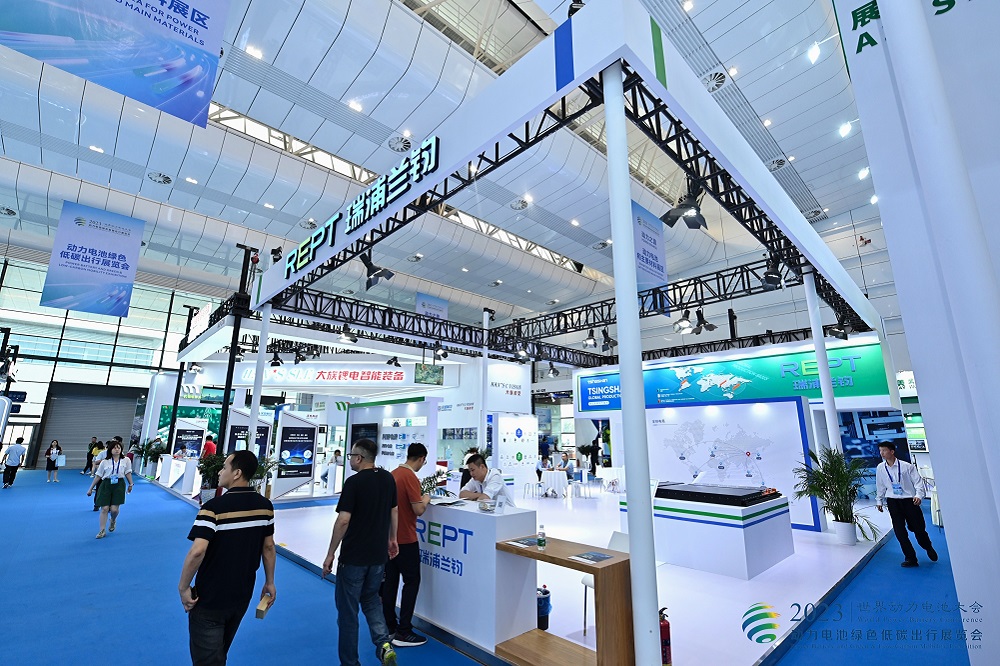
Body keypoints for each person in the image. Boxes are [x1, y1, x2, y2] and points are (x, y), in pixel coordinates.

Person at [178, 450, 276, 666]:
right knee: (221, 651)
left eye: (224, 467)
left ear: (237, 473)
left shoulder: (213, 509)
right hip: (242, 595)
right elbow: (268, 547)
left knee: (208, 660)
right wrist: (270, 581)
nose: (220, 472)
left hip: (210, 597)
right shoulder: (265, 507)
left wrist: (183, 587)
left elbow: (197, 551)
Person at [321, 438, 398, 666]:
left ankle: (350, 663)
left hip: (354, 557)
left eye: (351, 456)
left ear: (359, 457)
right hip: (378, 557)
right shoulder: (387, 478)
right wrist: (392, 539)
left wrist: (330, 553)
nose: (350, 460)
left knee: (348, 613)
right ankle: (384, 645)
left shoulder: (354, 483)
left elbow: (343, 520)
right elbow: (394, 511)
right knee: (372, 600)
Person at [382, 443, 431, 648]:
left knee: (390, 583)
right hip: (406, 539)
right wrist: (426, 498)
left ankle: (389, 627)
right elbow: (418, 509)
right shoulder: (410, 477)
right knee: (411, 582)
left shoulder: (393, 474)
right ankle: (404, 631)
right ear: (421, 459)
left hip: (389, 539)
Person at [876, 442, 937, 567]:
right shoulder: (880, 468)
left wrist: (919, 496)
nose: (882, 453)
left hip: (909, 501)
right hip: (893, 501)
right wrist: (879, 500)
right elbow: (880, 485)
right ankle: (911, 558)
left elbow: (918, 483)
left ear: (892, 451)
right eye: (880, 450)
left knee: (918, 529)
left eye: (884, 450)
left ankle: (927, 546)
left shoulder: (907, 466)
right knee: (900, 532)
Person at [86, 440, 133, 538]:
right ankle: (102, 530)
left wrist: (131, 484)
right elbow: (98, 476)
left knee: (114, 510)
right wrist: (90, 489)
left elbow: (128, 472)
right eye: (114, 448)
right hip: (106, 484)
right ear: (110, 450)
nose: (117, 450)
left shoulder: (126, 460)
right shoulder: (104, 462)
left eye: (118, 448)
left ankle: (113, 520)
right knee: (104, 508)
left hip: (119, 484)